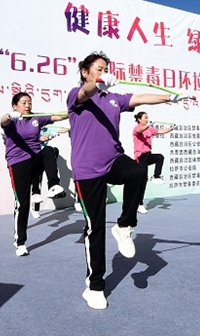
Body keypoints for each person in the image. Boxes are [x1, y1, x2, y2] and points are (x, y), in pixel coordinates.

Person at [68, 51, 191, 310]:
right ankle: (94, 286)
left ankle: (124, 225)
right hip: (87, 169)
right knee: (95, 228)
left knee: (137, 172)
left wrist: (169, 98)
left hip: (113, 159)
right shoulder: (76, 95)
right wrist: (97, 83)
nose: (103, 73)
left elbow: (141, 97)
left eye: (105, 69)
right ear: (85, 72)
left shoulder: (114, 99)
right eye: (98, 69)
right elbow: (85, 93)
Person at [1, 93, 68, 257]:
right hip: (18, 163)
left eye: (29, 103)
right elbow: (3, 121)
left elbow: (58, 117)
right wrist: (9, 116)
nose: (27, 105)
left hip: (35, 158)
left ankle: (53, 185)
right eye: (23, 102)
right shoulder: (12, 121)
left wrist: (78, 108)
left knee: (49, 150)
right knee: (22, 204)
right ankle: (20, 242)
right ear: (15, 105)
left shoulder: (35, 118)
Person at [133, 111, 174, 213]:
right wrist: (148, 125)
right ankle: (139, 204)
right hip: (140, 157)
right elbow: (140, 130)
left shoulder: (149, 129)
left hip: (148, 155)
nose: (147, 119)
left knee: (159, 157)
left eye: (147, 117)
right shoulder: (137, 128)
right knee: (143, 181)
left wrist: (171, 129)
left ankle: (156, 176)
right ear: (139, 119)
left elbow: (160, 131)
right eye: (145, 118)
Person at [30, 125, 69, 218]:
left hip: (44, 157)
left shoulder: (47, 129)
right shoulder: (30, 129)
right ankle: (35, 204)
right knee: (36, 179)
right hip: (32, 158)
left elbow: (62, 129)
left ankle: (53, 185)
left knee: (50, 150)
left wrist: (75, 125)